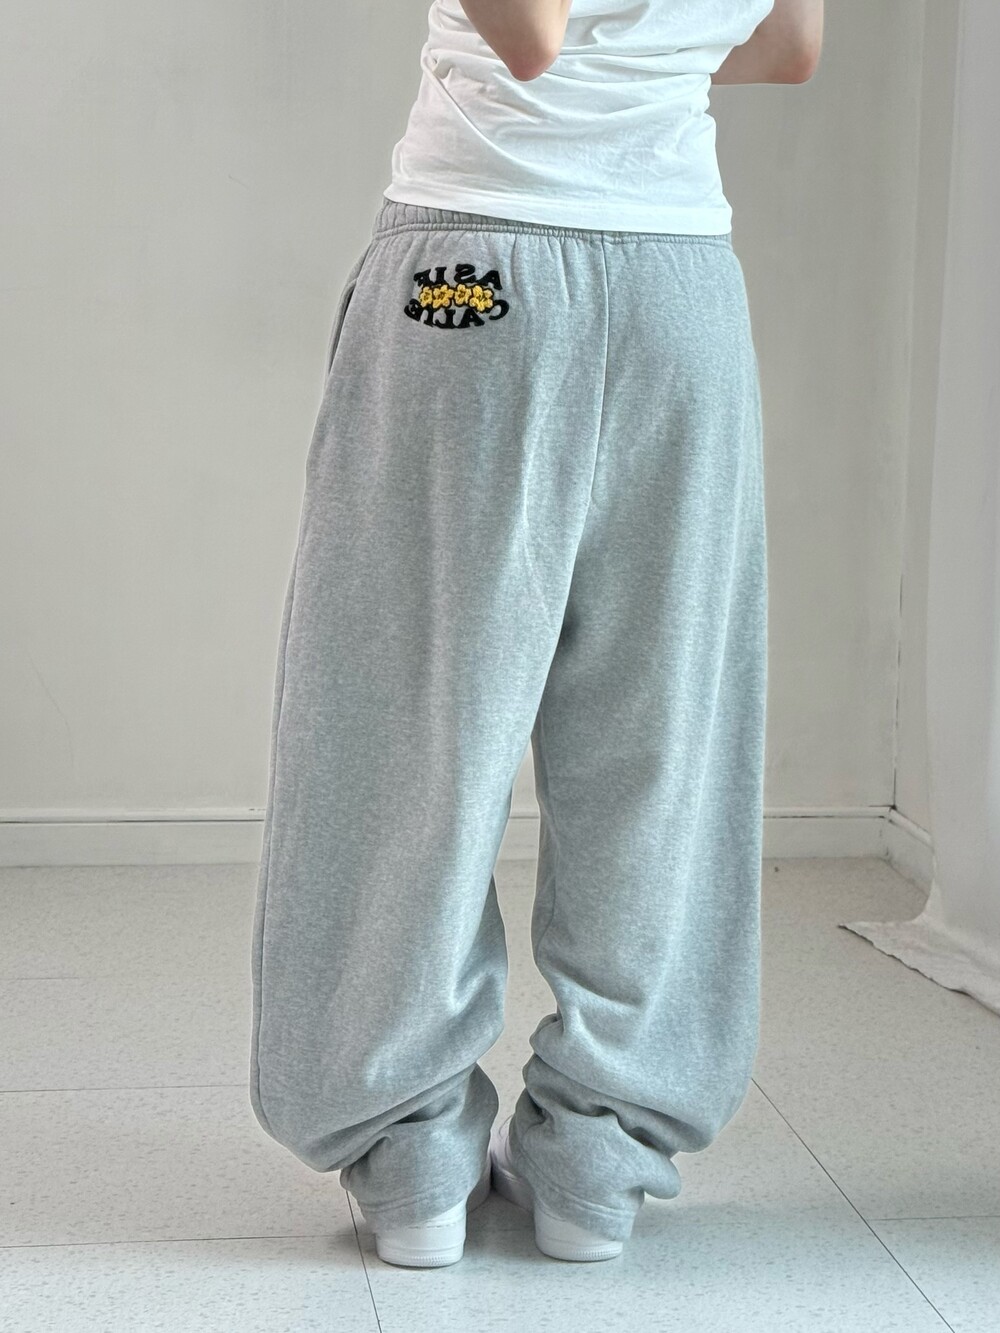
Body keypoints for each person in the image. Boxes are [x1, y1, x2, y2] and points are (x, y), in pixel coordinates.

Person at [249, 0, 822, 1271]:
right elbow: (789, 50)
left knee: (406, 723)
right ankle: (599, 1157)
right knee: (659, 732)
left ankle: (406, 1156)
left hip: (479, 259)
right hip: (680, 281)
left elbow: (530, 36)